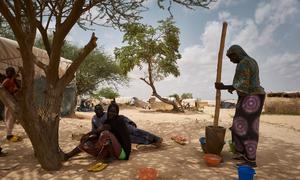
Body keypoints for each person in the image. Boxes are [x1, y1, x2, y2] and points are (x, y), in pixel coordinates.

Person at [215, 45, 265, 168]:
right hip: (252, 97)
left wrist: (223, 87)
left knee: (245, 128)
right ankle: (243, 153)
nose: (231, 61)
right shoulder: (251, 61)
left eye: (232, 57)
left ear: (237, 54)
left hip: (252, 97)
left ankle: (251, 159)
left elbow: (241, 85)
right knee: (240, 125)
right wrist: (231, 88)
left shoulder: (243, 63)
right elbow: (242, 85)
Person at [64, 101, 131, 162]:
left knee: (105, 133)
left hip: (122, 153)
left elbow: (102, 129)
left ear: (117, 112)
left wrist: (88, 134)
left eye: (114, 112)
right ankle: (68, 155)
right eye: (110, 111)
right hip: (113, 148)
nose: (112, 113)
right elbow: (97, 133)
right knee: (88, 142)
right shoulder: (106, 120)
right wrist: (89, 138)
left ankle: (111, 157)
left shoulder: (118, 120)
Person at [91, 104, 163, 146]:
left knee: (136, 131)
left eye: (100, 109)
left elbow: (121, 117)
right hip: (116, 133)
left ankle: (156, 138)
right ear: (94, 110)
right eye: (97, 109)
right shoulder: (94, 119)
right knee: (134, 139)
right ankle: (152, 142)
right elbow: (94, 129)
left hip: (124, 126)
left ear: (102, 109)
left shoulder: (108, 114)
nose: (99, 111)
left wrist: (130, 121)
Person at [1, 67, 22, 142]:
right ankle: (9, 135)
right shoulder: (7, 81)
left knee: (11, 119)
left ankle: (9, 134)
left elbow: (16, 89)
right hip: (9, 102)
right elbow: (3, 88)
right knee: (9, 118)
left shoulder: (12, 81)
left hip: (13, 101)